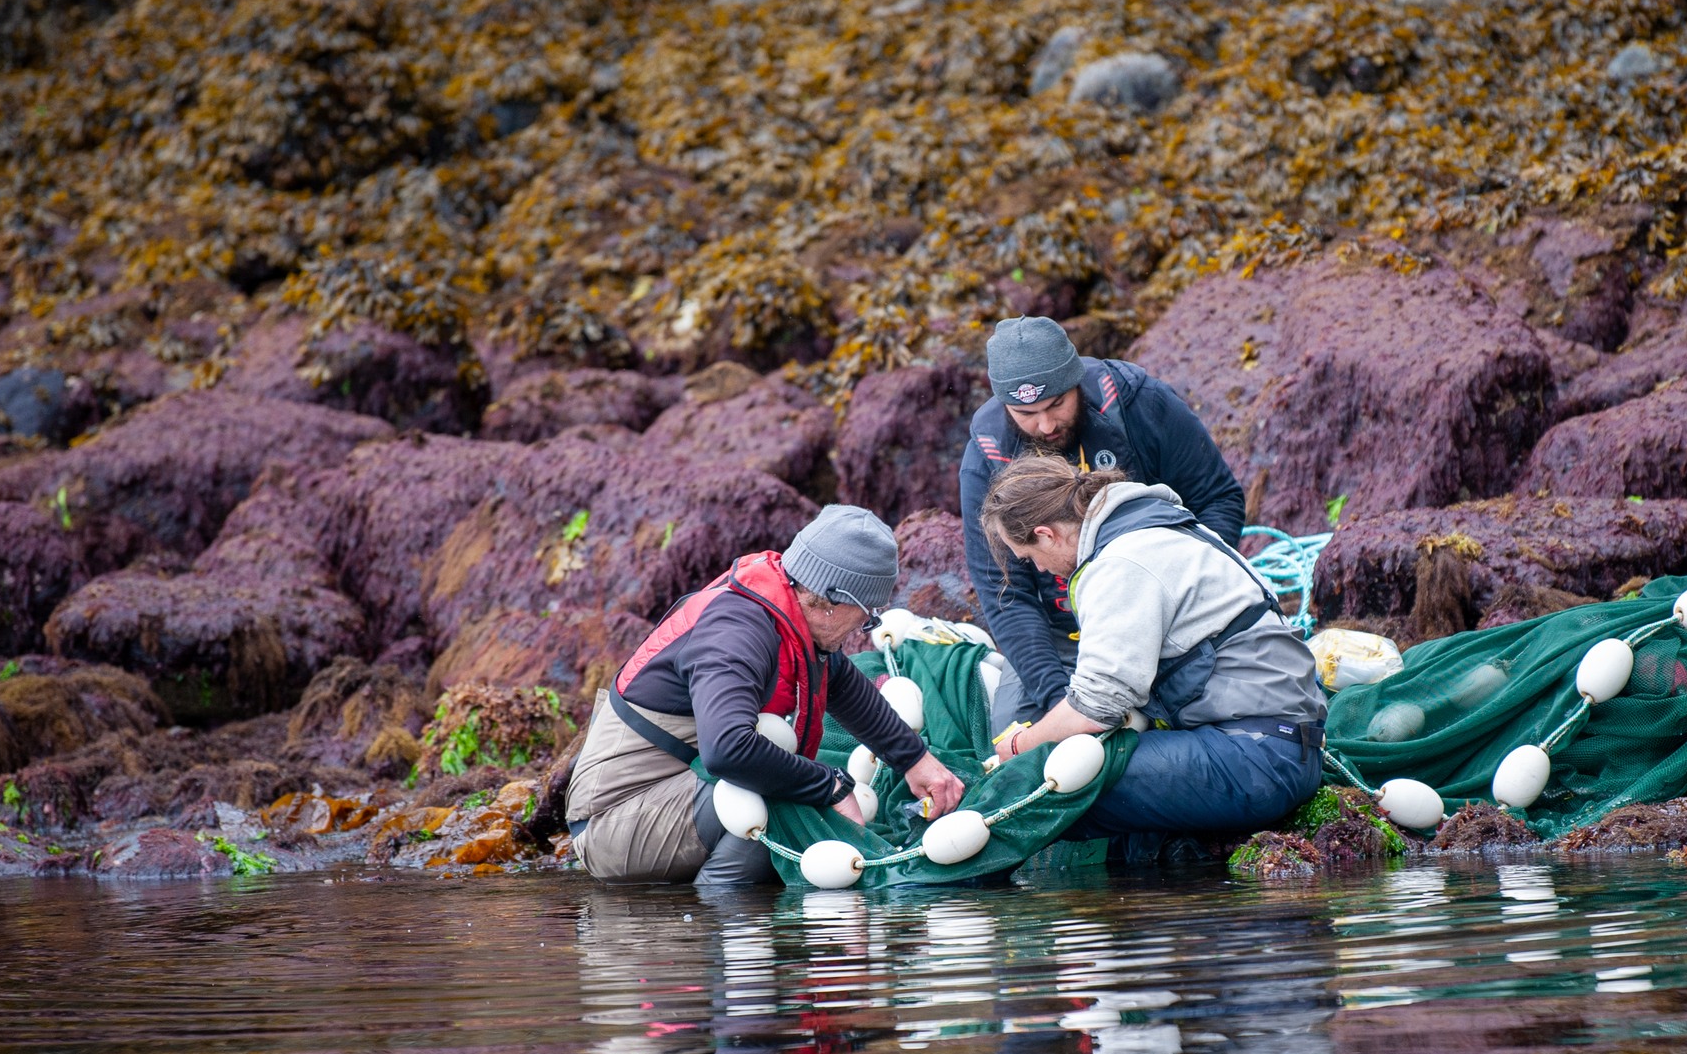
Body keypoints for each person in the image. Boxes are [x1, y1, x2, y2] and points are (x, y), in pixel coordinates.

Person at [565, 505, 966, 884]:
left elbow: (841, 684)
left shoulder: (786, 612)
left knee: (784, 777)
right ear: (831, 603)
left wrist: (915, 760)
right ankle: (718, 919)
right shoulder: (736, 634)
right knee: (779, 799)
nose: (862, 627)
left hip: (672, 797)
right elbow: (728, 751)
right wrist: (833, 786)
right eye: (866, 616)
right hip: (613, 824)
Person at [979, 456, 1324, 840]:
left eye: (1030, 558)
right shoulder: (1159, 525)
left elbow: (1096, 707)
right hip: (1285, 746)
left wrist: (1020, 745)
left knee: (1035, 790)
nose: (1040, 570)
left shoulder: (1121, 563)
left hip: (1256, 758)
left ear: (1046, 534)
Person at [958, 315, 1246, 729]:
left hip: (1167, 612)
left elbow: (1218, 499)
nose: (1045, 424)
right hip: (1063, 631)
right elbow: (1004, 592)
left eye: (1056, 403)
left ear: (1076, 381)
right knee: (1023, 750)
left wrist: (1184, 598)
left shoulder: (1139, 403)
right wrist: (1061, 701)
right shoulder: (985, 459)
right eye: (1026, 413)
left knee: (1193, 725)